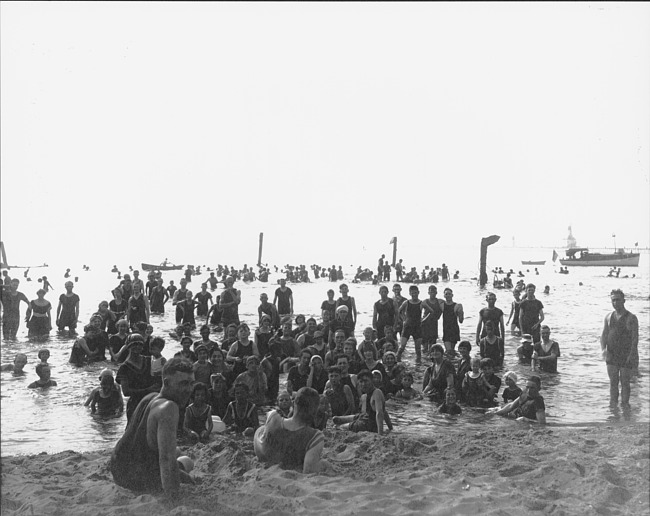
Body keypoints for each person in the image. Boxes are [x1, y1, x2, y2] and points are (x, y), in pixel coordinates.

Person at [110, 357, 195, 499]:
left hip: (118, 467)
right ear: (166, 382)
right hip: (137, 479)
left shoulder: (150, 397)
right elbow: (166, 459)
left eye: (191, 383)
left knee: (178, 451)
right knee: (188, 462)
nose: (189, 389)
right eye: (183, 383)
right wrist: (174, 499)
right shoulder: (169, 408)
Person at [254, 387, 326, 473]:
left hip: (266, 458)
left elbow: (268, 415)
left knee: (261, 429)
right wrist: (325, 464)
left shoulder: (273, 416)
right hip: (291, 467)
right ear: (315, 410)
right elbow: (309, 470)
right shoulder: (315, 436)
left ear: (293, 403)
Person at [601, 289, 639, 406]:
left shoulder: (631, 317)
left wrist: (632, 355)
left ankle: (625, 407)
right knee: (613, 383)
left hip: (625, 355)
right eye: (613, 300)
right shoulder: (608, 317)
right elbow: (604, 335)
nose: (615, 303)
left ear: (624, 301)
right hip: (611, 354)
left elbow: (635, 339)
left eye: (618, 300)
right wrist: (603, 350)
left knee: (625, 383)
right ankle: (613, 409)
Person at [116, 334, 159, 423]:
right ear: (128, 347)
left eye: (140, 344)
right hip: (135, 404)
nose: (137, 347)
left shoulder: (149, 360)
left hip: (151, 401)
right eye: (134, 344)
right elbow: (126, 392)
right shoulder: (124, 368)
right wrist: (148, 390)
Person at [333, 369, 387, 435]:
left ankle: (340, 427)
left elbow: (379, 413)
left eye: (366, 381)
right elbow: (384, 412)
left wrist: (380, 434)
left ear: (372, 380)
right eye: (361, 382)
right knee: (335, 419)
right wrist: (390, 428)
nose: (364, 384)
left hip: (366, 425)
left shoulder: (377, 392)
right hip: (362, 417)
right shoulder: (364, 396)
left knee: (338, 427)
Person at [440, 288, 464, 355]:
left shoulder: (457, 306)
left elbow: (461, 321)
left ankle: (452, 363)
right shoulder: (442, 305)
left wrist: (461, 312)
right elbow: (436, 316)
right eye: (446, 294)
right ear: (444, 296)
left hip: (454, 330)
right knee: (448, 351)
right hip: (446, 330)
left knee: (451, 351)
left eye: (449, 294)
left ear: (452, 295)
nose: (448, 295)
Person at [421, 285, 443, 355]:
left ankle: (431, 359)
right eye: (431, 292)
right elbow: (418, 311)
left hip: (433, 325)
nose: (432, 294)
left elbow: (446, 308)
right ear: (428, 293)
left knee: (432, 346)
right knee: (424, 346)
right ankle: (423, 360)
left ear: (436, 292)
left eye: (434, 292)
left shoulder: (439, 301)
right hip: (425, 325)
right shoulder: (425, 301)